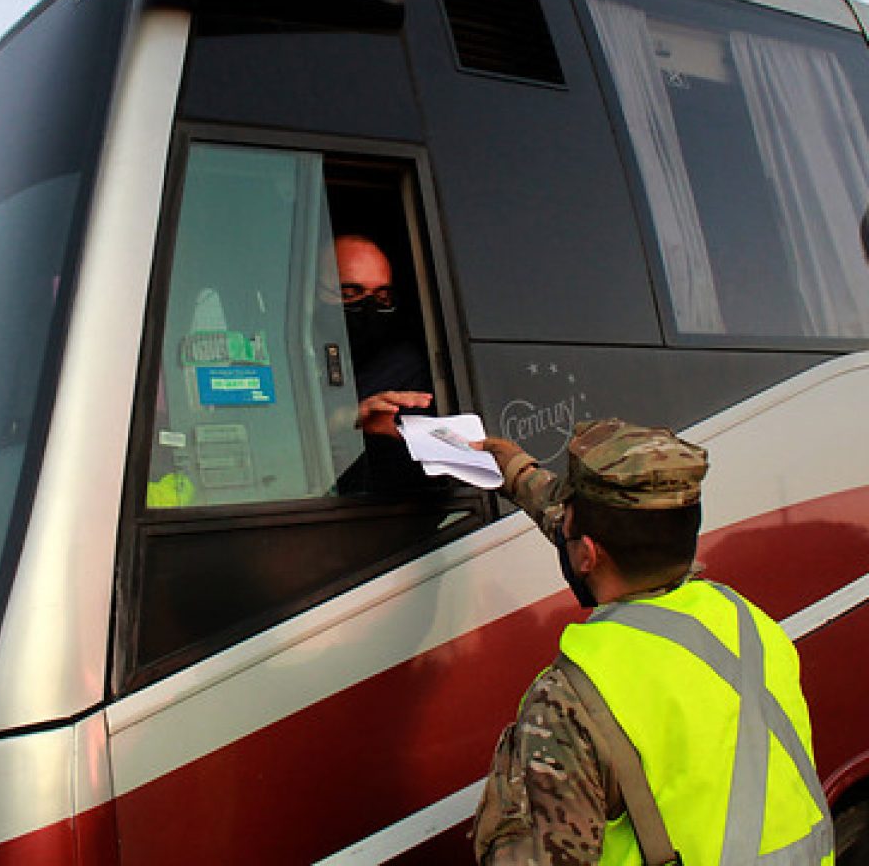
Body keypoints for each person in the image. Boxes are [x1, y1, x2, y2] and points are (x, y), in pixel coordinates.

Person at [470, 418, 833, 865]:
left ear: (587, 554)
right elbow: (597, 531)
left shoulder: (570, 699)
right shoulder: (748, 623)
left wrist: (505, 813)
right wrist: (516, 470)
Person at [330, 234, 435, 493]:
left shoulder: (406, 370)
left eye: (382, 297)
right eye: (349, 294)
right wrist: (339, 421)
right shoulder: (287, 358)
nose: (369, 308)